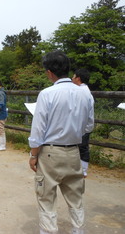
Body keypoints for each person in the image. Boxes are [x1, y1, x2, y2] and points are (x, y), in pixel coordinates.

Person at [28, 51, 94, 234]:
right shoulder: (85, 94)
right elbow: (89, 126)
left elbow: (38, 131)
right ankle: (78, 231)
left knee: (46, 198)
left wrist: (33, 155)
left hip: (50, 153)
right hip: (74, 151)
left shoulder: (47, 94)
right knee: (76, 198)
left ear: (49, 72)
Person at [72, 69, 94, 177]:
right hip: (85, 125)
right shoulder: (85, 91)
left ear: (78, 78)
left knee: (82, 148)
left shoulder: (81, 91)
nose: (72, 78)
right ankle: (81, 170)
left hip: (83, 126)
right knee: (82, 148)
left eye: (73, 76)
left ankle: (83, 171)